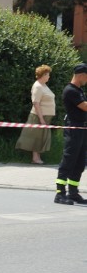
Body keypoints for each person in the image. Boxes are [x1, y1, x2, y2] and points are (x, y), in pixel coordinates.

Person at [54, 63, 87, 205]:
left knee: (80, 162)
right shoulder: (70, 90)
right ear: (82, 75)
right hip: (73, 129)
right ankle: (60, 193)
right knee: (69, 160)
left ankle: (73, 192)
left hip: (82, 129)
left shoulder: (79, 90)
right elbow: (85, 107)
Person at [15, 65, 55, 164]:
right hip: (38, 116)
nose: (49, 76)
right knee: (36, 137)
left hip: (45, 116)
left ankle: (37, 157)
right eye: (48, 75)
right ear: (43, 75)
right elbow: (36, 103)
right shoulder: (37, 86)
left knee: (41, 137)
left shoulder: (44, 85)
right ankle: (35, 158)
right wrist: (41, 119)